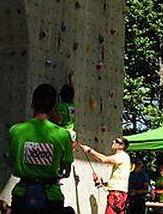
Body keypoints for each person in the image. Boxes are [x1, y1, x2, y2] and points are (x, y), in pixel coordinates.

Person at [7, 83, 74, 213]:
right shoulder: (63, 134)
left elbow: (11, 161)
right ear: (54, 106)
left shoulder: (16, 131)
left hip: (22, 195)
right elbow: (66, 171)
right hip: (51, 197)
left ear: (32, 103)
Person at [80, 138, 131, 214]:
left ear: (122, 146)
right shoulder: (123, 157)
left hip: (116, 195)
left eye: (116, 141)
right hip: (119, 194)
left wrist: (89, 150)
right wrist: (102, 183)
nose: (113, 141)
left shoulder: (122, 156)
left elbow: (104, 159)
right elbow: (118, 178)